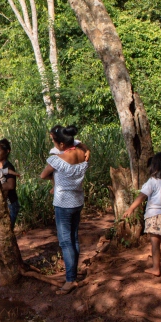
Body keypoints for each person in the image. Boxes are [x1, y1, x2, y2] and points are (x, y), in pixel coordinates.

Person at [41, 125, 90, 294]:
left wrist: (54, 183)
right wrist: (85, 147)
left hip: (63, 204)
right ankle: (73, 275)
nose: (53, 145)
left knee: (65, 242)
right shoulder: (83, 155)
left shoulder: (56, 160)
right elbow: (77, 143)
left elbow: (43, 175)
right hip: (77, 201)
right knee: (74, 238)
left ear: (61, 144)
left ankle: (70, 280)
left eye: (54, 142)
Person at [125, 152, 161, 277]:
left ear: (154, 166)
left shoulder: (152, 181)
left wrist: (131, 208)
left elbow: (142, 196)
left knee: (155, 243)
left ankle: (155, 268)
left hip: (153, 215)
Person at [0, 138, 21, 224]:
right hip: (1, 204)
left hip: (10, 204)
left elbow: (10, 185)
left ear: (7, 151)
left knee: (7, 231)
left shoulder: (8, 167)